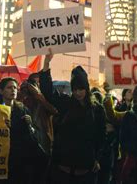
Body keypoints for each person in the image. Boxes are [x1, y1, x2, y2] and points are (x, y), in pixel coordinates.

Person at [39, 51, 106, 184]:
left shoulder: (97, 110)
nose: (77, 93)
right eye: (75, 89)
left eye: (81, 89)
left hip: (85, 169)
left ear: (86, 88)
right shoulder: (66, 103)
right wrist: (46, 64)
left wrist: (97, 158)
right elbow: (48, 92)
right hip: (62, 168)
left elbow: (101, 136)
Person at [0, 77, 41, 184]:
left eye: (15, 87)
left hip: (20, 159)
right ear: (1, 91)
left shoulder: (23, 109)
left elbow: (33, 135)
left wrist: (29, 125)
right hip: (0, 158)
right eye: (9, 88)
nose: (13, 90)